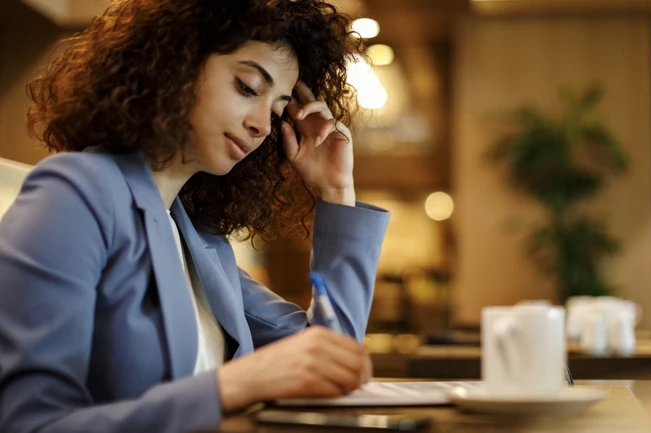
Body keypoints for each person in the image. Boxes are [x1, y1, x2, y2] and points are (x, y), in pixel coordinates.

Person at [0, 0, 390, 432]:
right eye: (247, 87)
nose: (263, 125)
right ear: (175, 63)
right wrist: (228, 387)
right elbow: (28, 421)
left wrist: (335, 190)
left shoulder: (201, 243)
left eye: (278, 110)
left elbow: (329, 358)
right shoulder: (77, 192)